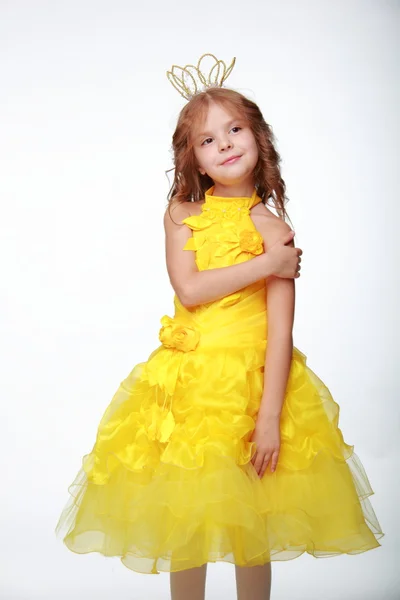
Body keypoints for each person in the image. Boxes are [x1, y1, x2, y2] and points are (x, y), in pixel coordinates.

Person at [55, 54, 383, 600]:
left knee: (250, 521)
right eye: (207, 140)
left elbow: (281, 334)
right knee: (187, 516)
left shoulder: (273, 227)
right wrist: (267, 265)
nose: (225, 143)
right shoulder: (182, 214)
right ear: (196, 162)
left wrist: (270, 418)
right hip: (188, 390)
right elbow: (190, 289)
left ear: (260, 139)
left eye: (235, 129)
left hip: (254, 389)